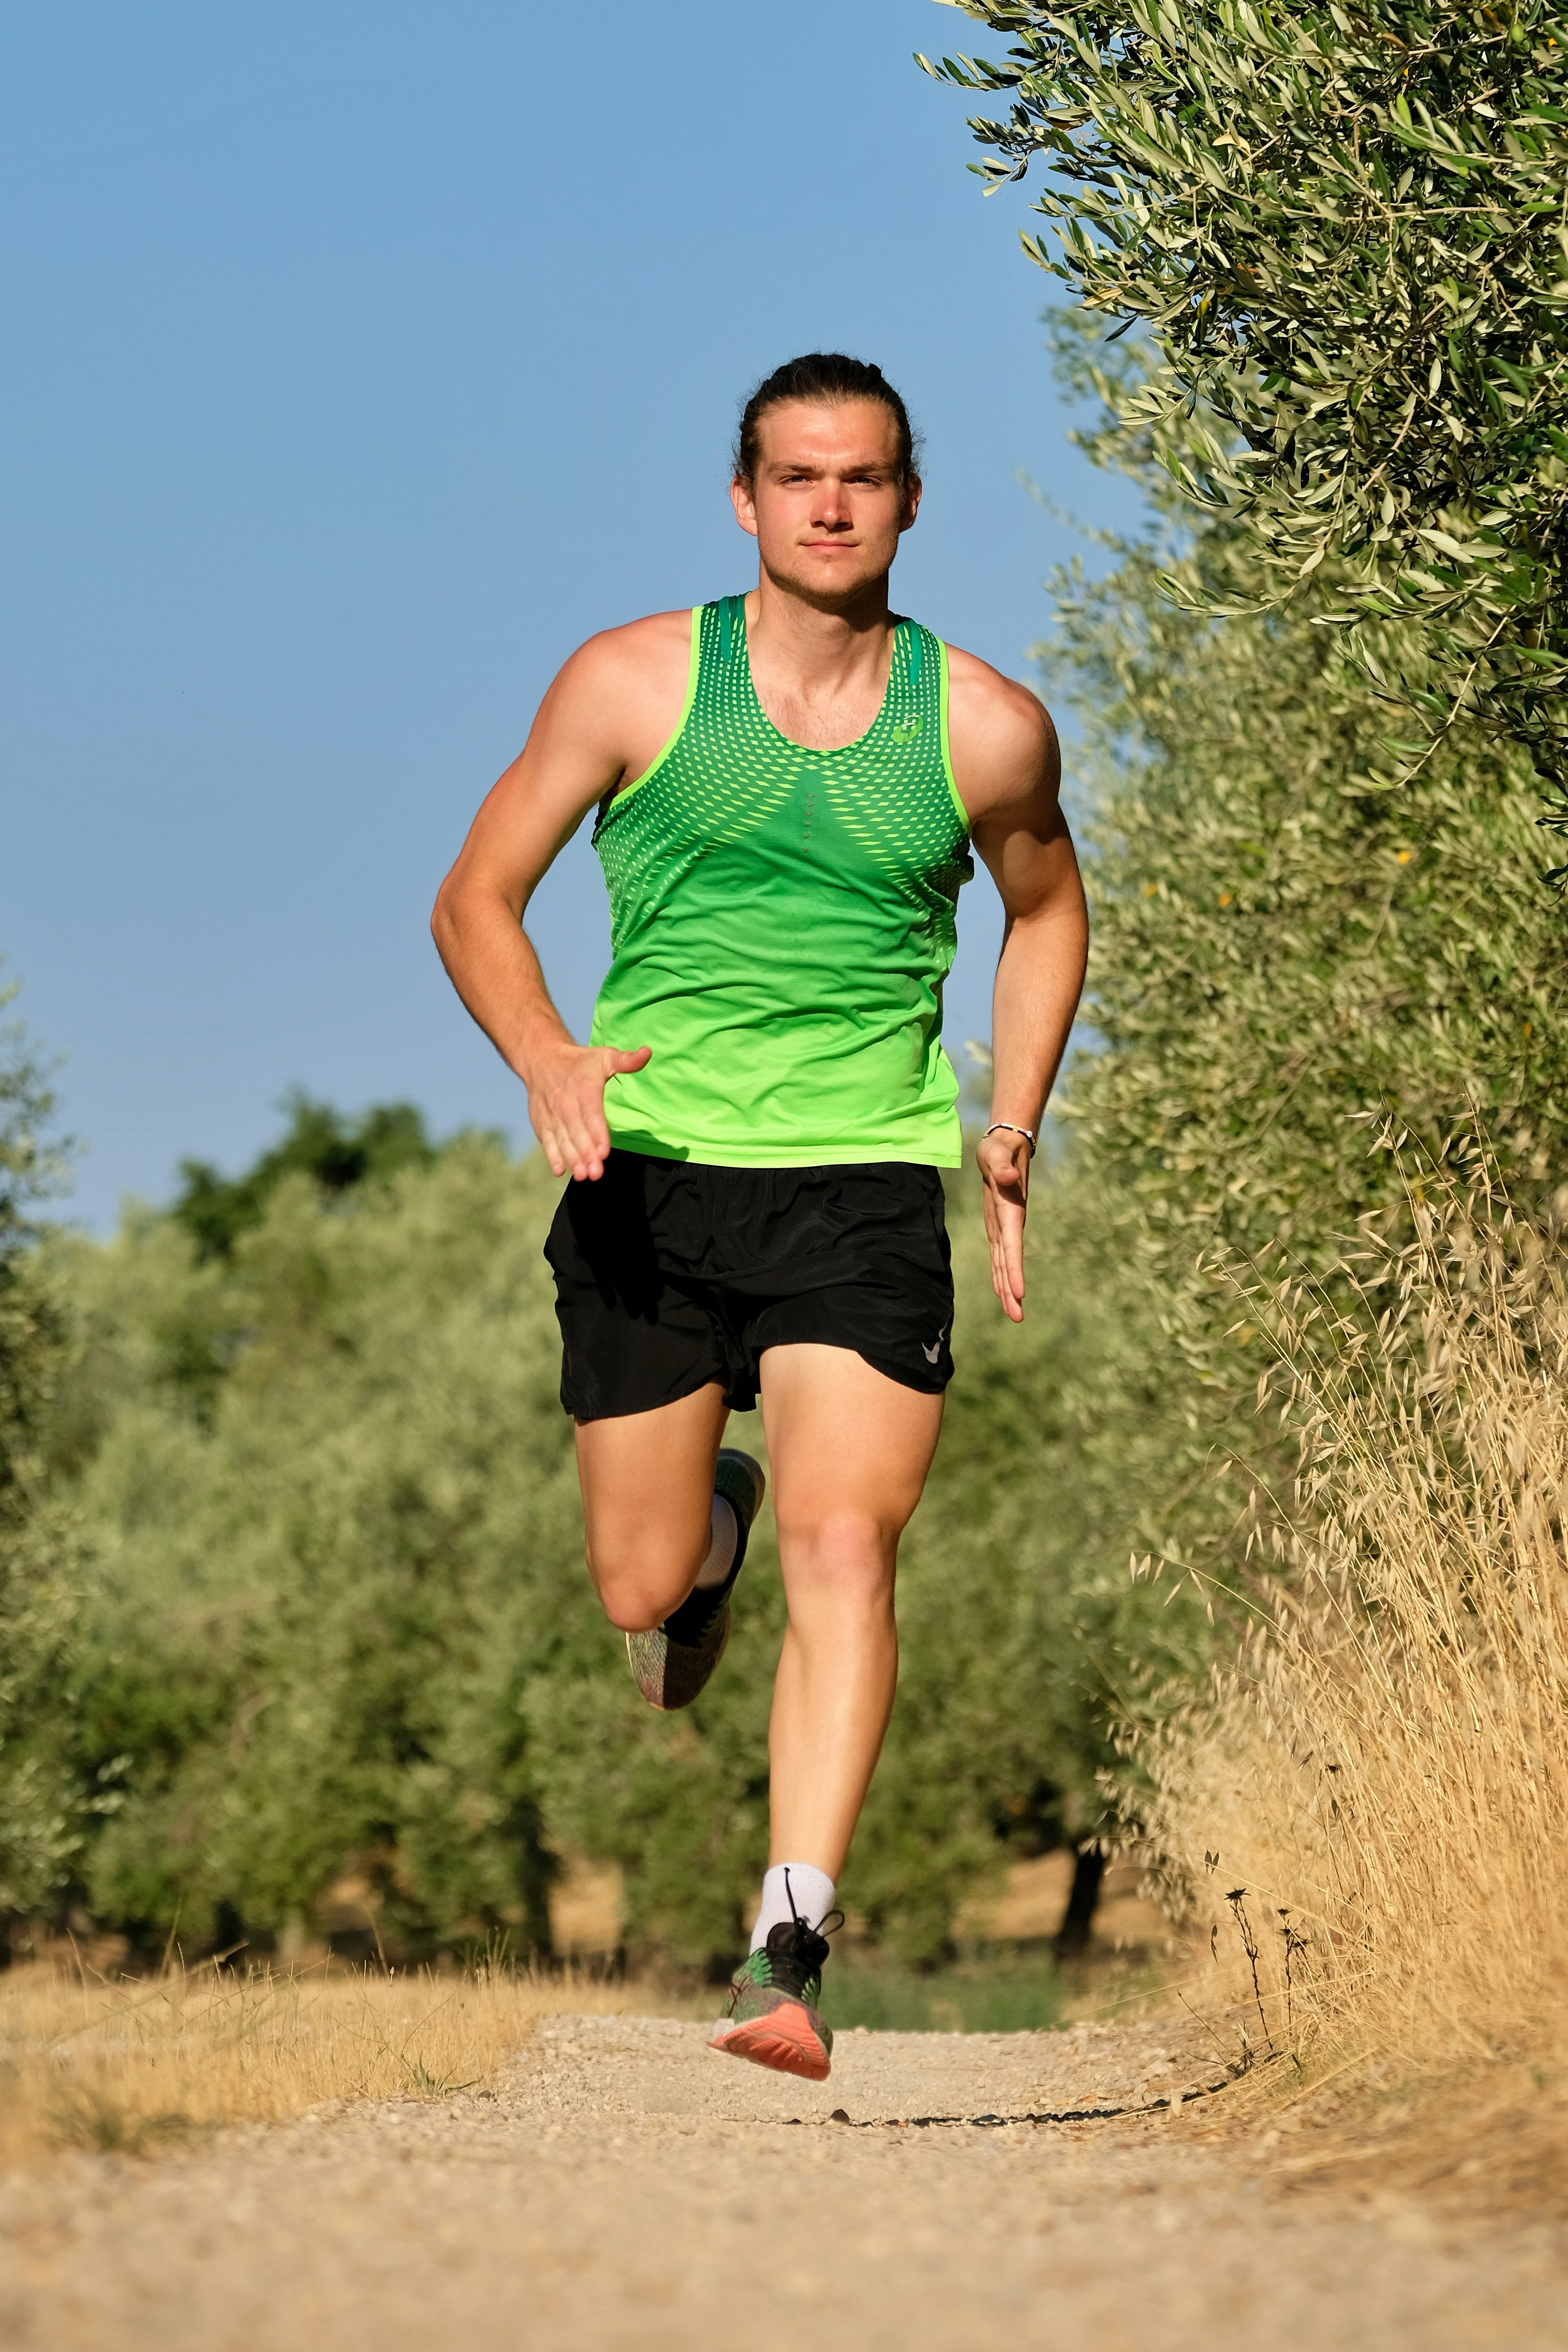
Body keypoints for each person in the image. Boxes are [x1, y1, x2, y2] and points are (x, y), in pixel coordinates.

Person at [431, 353, 1088, 2080]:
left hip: (861, 1181)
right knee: (640, 1584)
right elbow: (475, 897)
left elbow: (1045, 911)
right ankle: (696, 1534)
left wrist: (1006, 1118)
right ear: (745, 498)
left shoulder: (983, 726)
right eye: (796, 475)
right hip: (641, 1171)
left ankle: (786, 1945)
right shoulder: (637, 682)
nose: (828, 502)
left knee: (848, 1547)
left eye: (861, 476)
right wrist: (544, 1050)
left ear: (907, 500)